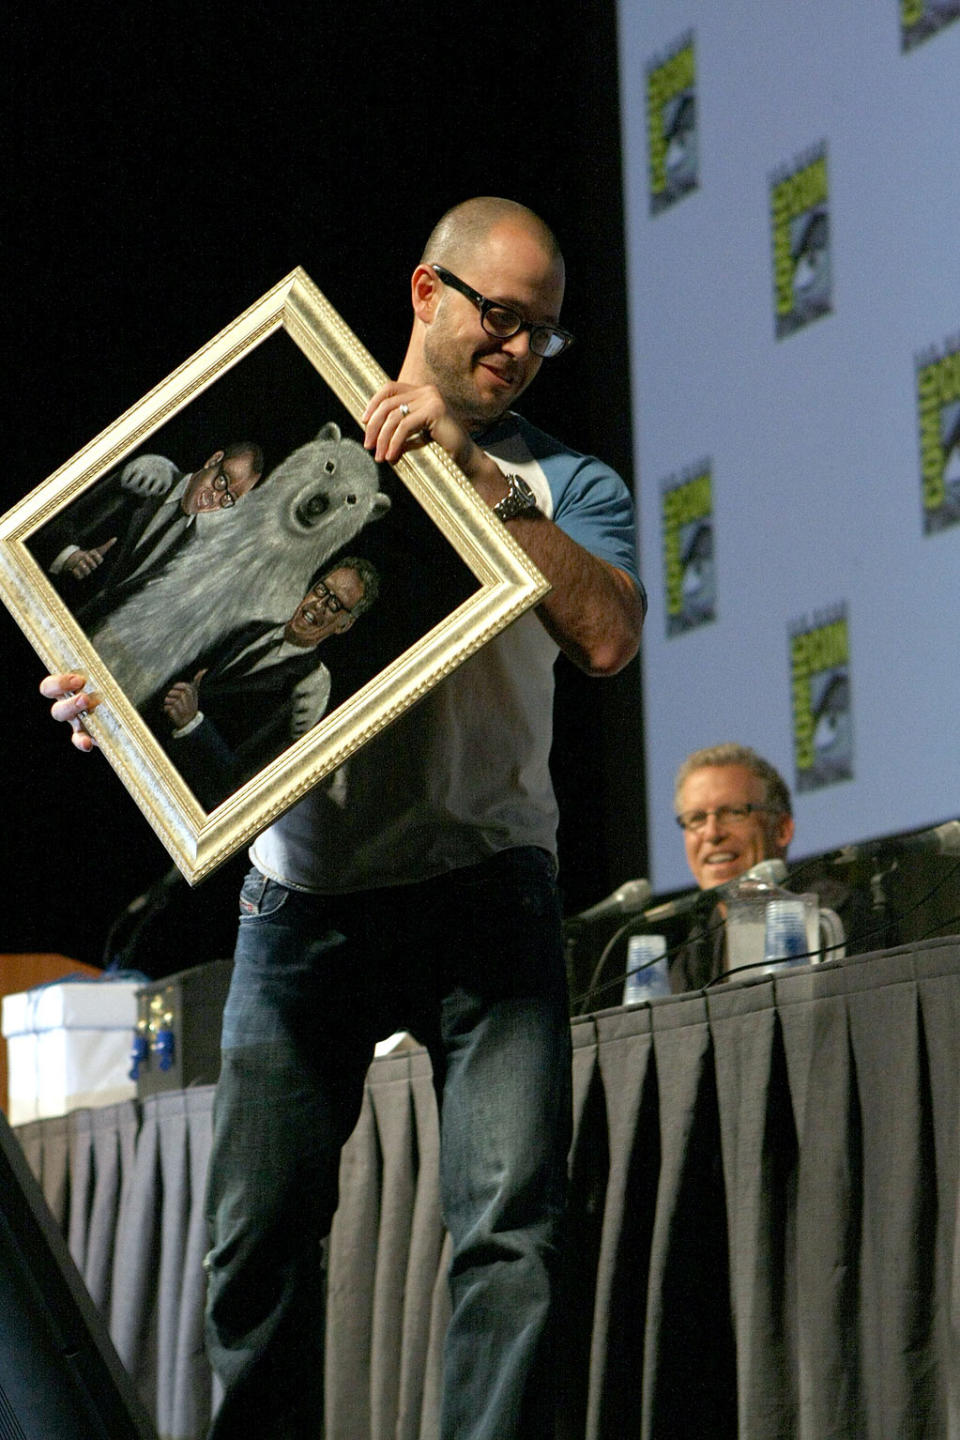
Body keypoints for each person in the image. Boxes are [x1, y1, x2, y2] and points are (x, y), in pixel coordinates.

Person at [41, 196, 645, 1440]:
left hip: (489, 890)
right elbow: (187, 638)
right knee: (252, 1255)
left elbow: (608, 633)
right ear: (427, 294)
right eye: (500, 315)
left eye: (543, 333)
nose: (520, 348)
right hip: (301, 905)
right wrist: (107, 686)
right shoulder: (293, 414)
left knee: (510, 1235)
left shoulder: (559, 479)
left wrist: (487, 488)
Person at [157, 557, 379, 810]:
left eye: (334, 604)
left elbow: (251, 784)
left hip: (188, 803)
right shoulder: (253, 628)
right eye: (321, 590)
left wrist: (193, 726)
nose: (318, 605)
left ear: (344, 625)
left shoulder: (311, 686)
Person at [668, 742, 876, 991]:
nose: (712, 834)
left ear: (781, 829)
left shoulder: (834, 916)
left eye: (734, 812)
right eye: (697, 819)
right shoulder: (697, 948)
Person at [35, 442, 264, 627]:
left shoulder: (193, 546)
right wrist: (69, 556)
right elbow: (59, 518)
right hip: (41, 599)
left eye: (228, 499)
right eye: (221, 481)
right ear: (213, 460)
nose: (213, 499)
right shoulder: (146, 476)